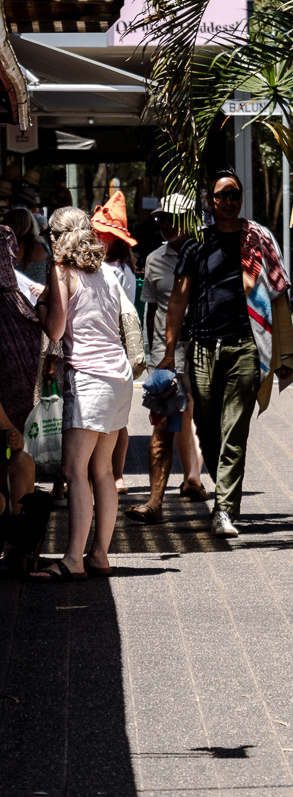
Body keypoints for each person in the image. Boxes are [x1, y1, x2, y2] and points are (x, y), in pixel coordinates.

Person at [160, 169, 293, 538]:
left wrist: (282, 351)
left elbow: (277, 295)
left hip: (245, 346)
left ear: (240, 197)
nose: (229, 201)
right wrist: (169, 352)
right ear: (210, 200)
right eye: (222, 195)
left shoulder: (257, 240)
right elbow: (178, 301)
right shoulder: (196, 245)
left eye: (235, 194)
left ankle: (224, 509)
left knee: (235, 430)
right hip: (203, 346)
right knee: (207, 429)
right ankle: (222, 494)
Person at [31, 208, 133, 580]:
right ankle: (99, 555)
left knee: (74, 470)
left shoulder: (62, 271)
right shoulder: (105, 270)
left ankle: (73, 559)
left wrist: (41, 305)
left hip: (90, 380)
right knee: (102, 471)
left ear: (57, 237)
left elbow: (56, 330)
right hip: (119, 377)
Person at [126, 195, 206, 523]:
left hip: (204, 353)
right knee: (162, 427)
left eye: (173, 218)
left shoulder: (208, 253)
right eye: (161, 218)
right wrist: (154, 354)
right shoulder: (155, 259)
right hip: (166, 358)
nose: (166, 224)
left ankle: (202, 485)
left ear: (189, 220)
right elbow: (152, 310)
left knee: (209, 424)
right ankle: (155, 502)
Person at [90, 191, 139, 494]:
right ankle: (113, 475)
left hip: (111, 350)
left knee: (113, 421)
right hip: (112, 352)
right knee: (115, 420)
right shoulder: (122, 269)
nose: (97, 236)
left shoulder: (114, 271)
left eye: (102, 233)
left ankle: (114, 474)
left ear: (115, 239)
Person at [0, 223, 44, 521]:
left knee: (23, 463)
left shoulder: (16, 296)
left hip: (10, 420)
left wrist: (11, 432)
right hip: (8, 419)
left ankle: (17, 535)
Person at [4, 207, 49, 289]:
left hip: (12, 296)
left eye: (5, 224)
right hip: (39, 295)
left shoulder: (6, 249)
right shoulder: (44, 248)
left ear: (15, 227)